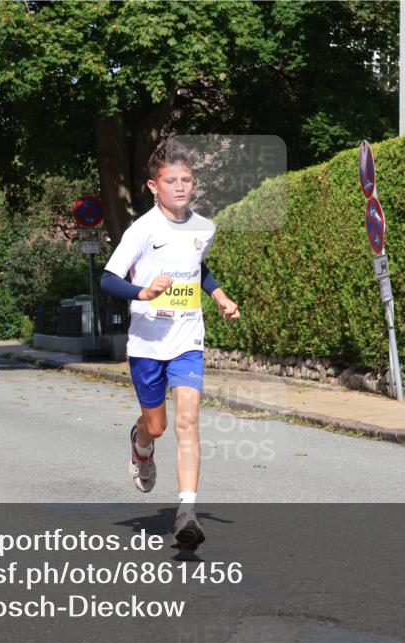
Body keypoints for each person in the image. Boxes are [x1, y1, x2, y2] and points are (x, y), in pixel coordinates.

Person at [100, 139, 240, 550]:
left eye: (186, 180)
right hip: (146, 344)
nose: (180, 187)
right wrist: (142, 293)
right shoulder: (142, 230)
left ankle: (187, 513)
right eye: (170, 181)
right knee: (157, 426)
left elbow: (199, 268)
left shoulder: (204, 228)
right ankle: (141, 445)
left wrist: (218, 296)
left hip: (186, 340)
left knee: (189, 421)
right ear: (152, 186)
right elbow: (109, 278)